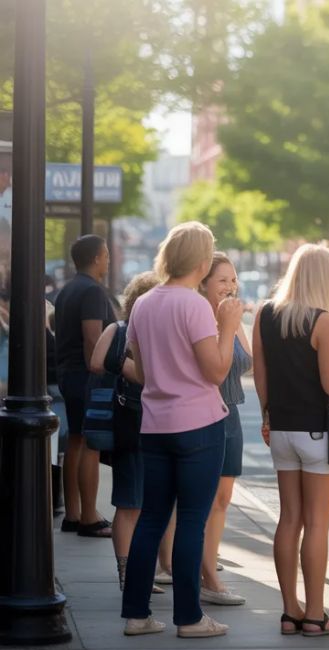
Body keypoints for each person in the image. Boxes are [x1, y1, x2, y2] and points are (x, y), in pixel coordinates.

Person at [121, 222, 242, 638]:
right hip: (198, 424)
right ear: (202, 260)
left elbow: (143, 368)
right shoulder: (192, 305)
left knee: (152, 519)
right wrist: (227, 325)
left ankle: (136, 615)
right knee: (192, 520)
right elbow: (216, 371)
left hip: (155, 424)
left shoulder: (144, 303)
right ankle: (189, 618)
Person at [253, 244, 329, 637]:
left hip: (281, 430)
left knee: (289, 519)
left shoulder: (265, 315)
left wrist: (267, 415)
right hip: (319, 433)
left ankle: (289, 611)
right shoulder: (326, 321)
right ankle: (315, 614)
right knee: (317, 524)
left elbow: (260, 375)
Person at [89, 272, 162, 593]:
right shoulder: (155, 331)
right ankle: (133, 575)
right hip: (150, 424)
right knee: (139, 504)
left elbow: (95, 363)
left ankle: (129, 572)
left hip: (125, 424)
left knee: (129, 502)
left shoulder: (115, 328)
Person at [197, 253, 253, 606]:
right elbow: (213, 369)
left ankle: (206, 566)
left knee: (223, 499)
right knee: (200, 498)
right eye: (222, 280)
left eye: (233, 280)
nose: (230, 286)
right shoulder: (200, 316)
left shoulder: (231, 315)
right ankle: (207, 577)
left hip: (230, 412)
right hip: (204, 412)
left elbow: (246, 361)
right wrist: (227, 325)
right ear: (203, 283)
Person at [54, 234, 116, 538]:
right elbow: (93, 337)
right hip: (86, 376)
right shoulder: (93, 291)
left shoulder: (68, 289)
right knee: (90, 443)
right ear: (96, 258)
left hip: (69, 373)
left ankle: (74, 515)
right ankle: (89, 517)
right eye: (105, 254)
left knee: (77, 442)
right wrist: (102, 374)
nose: (108, 259)